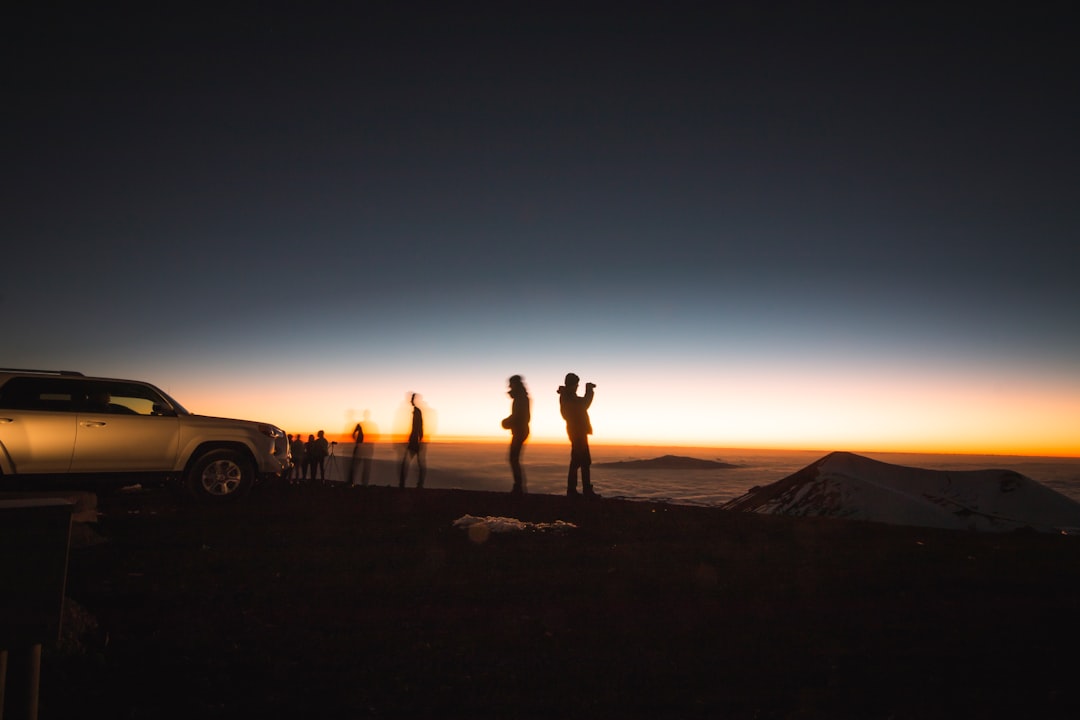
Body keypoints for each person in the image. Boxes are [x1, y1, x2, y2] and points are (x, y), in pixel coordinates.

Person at [558, 372, 598, 498]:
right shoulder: (568, 397)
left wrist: (588, 391)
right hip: (577, 432)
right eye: (576, 385)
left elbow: (582, 405)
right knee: (583, 461)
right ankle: (583, 491)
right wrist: (589, 390)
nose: (577, 387)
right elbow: (584, 405)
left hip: (577, 431)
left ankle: (574, 490)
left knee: (578, 461)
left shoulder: (568, 396)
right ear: (572, 385)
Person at [501, 374, 531, 494]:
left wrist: (507, 422)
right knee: (514, 459)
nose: (510, 387)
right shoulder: (520, 397)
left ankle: (518, 488)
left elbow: (522, 416)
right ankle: (518, 487)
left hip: (521, 431)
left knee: (513, 458)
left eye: (511, 385)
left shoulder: (521, 398)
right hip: (520, 430)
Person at [398, 393, 426, 488]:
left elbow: (418, 427)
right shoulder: (416, 411)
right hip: (415, 441)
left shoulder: (417, 411)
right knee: (418, 464)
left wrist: (417, 439)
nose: (410, 401)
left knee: (407, 463)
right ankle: (419, 484)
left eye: (412, 399)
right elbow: (419, 427)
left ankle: (403, 484)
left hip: (415, 441)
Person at [350, 418, 373, 487]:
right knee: (363, 467)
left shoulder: (361, 433)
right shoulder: (362, 433)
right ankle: (363, 483)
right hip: (365, 450)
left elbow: (354, 437)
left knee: (355, 466)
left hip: (360, 450)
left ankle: (354, 482)